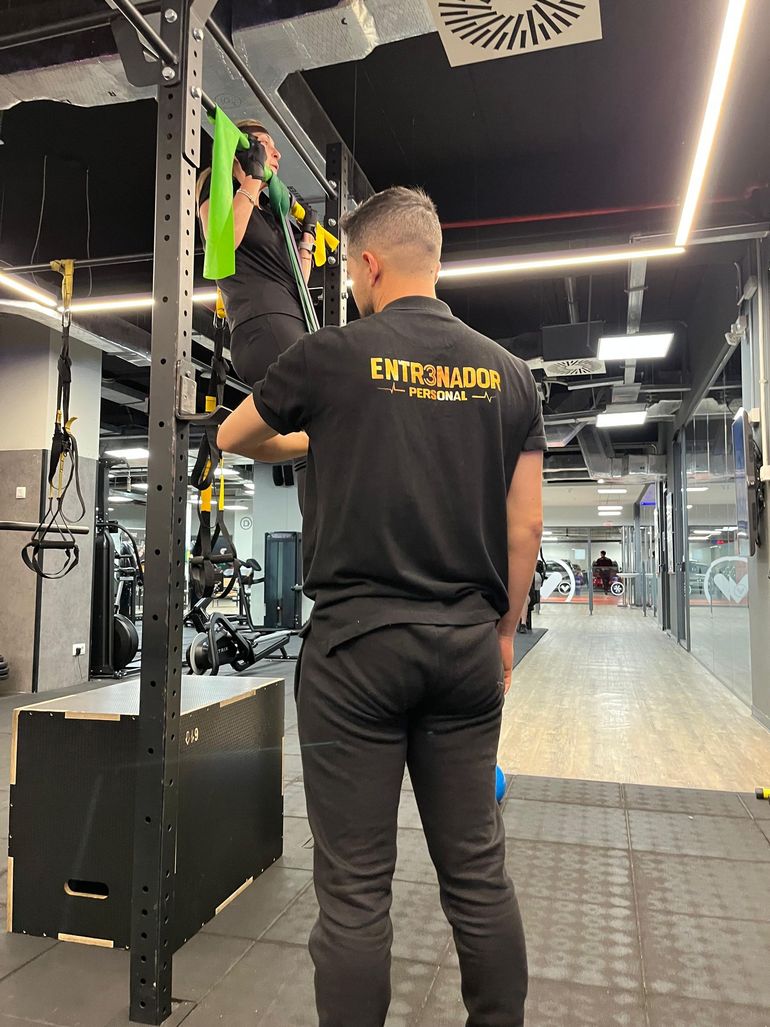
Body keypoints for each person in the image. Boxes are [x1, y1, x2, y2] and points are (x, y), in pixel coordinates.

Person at [218, 186, 545, 1027]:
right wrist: (505, 632)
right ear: (432, 258)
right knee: (477, 873)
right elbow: (526, 526)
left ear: (367, 263)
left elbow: (232, 436)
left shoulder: (331, 355)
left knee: (355, 891)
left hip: (355, 653)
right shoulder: (509, 374)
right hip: (464, 648)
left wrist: (320, 430)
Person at [196, 119, 316, 387]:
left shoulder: (273, 214)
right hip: (261, 324)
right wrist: (252, 179)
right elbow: (222, 244)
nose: (277, 153)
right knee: (314, 400)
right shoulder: (218, 187)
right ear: (244, 152)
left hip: (292, 322)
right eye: (265, 145)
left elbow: (298, 283)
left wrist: (307, 236)